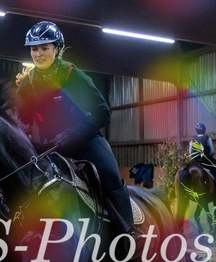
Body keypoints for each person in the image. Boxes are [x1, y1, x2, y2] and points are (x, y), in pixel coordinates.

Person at [15, 21, 138, 240]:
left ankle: (128, 232)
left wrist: (72, 133)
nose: (38, 54)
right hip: (50, 147)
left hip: (86, 142)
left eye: (44, 48)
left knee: (110, 174)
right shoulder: (27, 84)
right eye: (34, 49)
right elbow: (21, 122)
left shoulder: (73, 75)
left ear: (57, 49)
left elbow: (103, 112)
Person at [189, 123, 216, 197]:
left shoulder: (193, 139)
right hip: (205, 161)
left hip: (194, 162)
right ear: (204, 130)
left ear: (196, 130)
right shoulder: (207, 138)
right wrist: (209, 155)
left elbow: (190, 152)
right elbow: (212, 151)